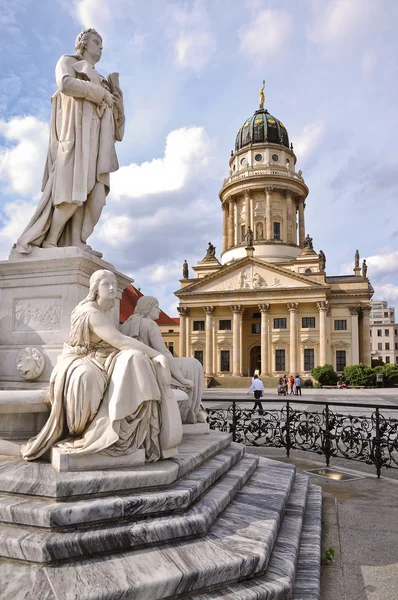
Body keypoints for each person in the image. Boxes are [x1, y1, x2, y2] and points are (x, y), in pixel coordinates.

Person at [21, 270, 177, 462]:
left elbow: (118, 341)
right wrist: (156, 354)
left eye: (113, 283)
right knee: (87, 378)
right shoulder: (90, 312)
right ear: (95, 289)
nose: (112, 288)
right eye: (106, 284)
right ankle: (91, 431)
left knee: (136, 359)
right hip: (81, 358)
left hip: (103, 356)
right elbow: (119, 340)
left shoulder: (108, 309)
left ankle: (125, 428)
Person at [15, 29, 125, 257]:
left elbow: (118, 128)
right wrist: (97, 92)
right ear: (83, 44)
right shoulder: (68, 62)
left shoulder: (103, 80)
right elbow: (65, 84)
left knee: (94, 194)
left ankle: (77, 239)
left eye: (102, 43)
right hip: (76, 136)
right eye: (97, 42)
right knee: (73, 189)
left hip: (98, 141)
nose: (101, 47)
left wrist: (116, 99)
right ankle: (52, 240)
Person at [121, 296, 206, 424]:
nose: (159, 311)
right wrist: (182, 379)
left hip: (137, 367)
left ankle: (193, 411)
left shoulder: (126, 324)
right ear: (148, 308)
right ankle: (189, 413)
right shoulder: (150, 324)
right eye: (156, 307)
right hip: (153, 366)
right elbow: (164, 351)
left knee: (190, 364)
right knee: (194, 364)